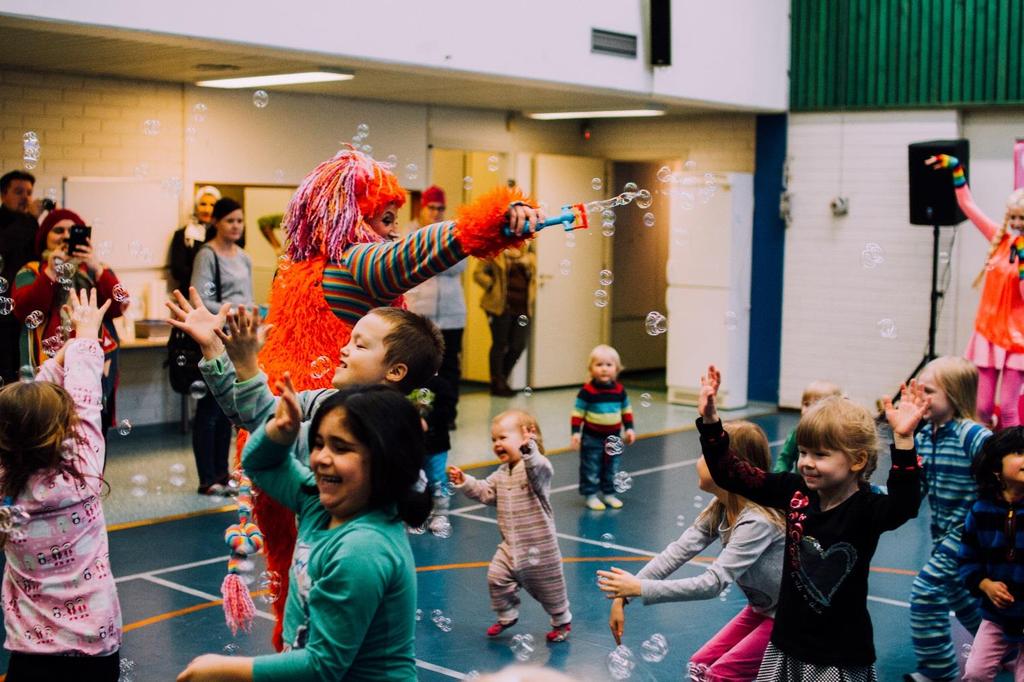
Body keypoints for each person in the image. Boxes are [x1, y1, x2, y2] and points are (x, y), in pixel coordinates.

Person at [239, 145, 542, 650]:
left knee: (296, 589)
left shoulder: (295, 269)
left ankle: (297, 653)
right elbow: (407, 255)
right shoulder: (350, 265)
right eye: (383, 218)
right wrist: (489, 225)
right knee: (339, 606)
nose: (391, 230)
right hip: (334, 438)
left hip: (286, 432)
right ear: (348, 218)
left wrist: (222, 359)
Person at [165, 293, 443, 642]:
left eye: (359, 345)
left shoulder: (379, 427)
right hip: (313, 561)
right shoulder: (327, 399)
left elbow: (275, 431)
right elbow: (252, 418)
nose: (344, 348)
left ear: (396, 371)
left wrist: (248, 367)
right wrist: (215, 351)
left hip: (343, 561)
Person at [177, 383, 430, 682]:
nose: (321, 457)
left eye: (341, 447)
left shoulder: (363, 548)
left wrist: (223, 670)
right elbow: (260, 465)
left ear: (385, 459)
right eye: (319, 443)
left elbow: (322, 667)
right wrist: (278, 433)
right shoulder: (317, 503)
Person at [697, 364, 926, 681]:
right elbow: (732, 474)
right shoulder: (795, 492)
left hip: (838, 653)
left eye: (820, 454)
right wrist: (710, 421)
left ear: (857, 461)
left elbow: (906, 504)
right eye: (803, 452)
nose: (806, 462)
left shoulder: (867, 508)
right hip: (787, 643)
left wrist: (903, 440)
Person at [600, 419, 785, 681]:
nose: (697, 461)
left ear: (730, 466)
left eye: (704, 455)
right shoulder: (721, 507)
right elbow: (676, 552)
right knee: (698, 667)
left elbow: (712, 583)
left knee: (722, 674)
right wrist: (624, 596)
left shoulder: (757, 521)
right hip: (763, 609)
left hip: (791, 620)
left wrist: (640, 588)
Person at [0, 289, 122, 680]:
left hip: (29, 652)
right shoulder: (83, 470)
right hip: (94, 647)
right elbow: (85, 401)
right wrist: (83, 338)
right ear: (63, 429)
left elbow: (30, 415)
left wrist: (60, 356)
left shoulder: (6, 484)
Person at [448, 410, 573, 643]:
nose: (497, 444)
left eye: (503, 438)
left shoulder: (536, 469)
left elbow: (539, 468)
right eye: (493, 440)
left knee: (551, 591)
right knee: (496, 577)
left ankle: (562, 621)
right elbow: (486, 492)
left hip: (540, 548)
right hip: (510, 546)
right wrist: (466, 482)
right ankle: (507, 614)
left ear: (526, 438)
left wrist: (529, 449)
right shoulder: (501, 473)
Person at [908, 356, 991, 682]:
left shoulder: (973, 436)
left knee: (926, 592)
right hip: (943, 534)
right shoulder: (927, 436)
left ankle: (939, 672)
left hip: (969, 534)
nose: (920, 398)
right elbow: (917, 489)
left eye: (928, 390)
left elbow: (1001, 478)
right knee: (962, 597)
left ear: (954, 394)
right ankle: (1005, 650)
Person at [927, 154, 1024, 428]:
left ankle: (1011, 462)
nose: (1017, 223)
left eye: (1023, 218)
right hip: (989, 333)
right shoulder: (998, 238)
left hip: (1018, 340)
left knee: (1007, 410)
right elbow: (967, 206)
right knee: (981, 408)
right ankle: (983, 459)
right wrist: (956, 167)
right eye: (1013, 217)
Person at [12, 209, 125, 430]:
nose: (65, 236)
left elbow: (119, 305)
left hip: (96, 364)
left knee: (92, 428)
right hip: (49, 364)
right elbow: (25, 311)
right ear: (45, 237)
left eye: (72, 231)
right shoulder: (32, 271)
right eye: (58, 230)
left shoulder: (95, 269)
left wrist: (97, 268)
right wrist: (51, 273)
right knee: (48, 427)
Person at [190, 197, 252, 496]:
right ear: (216, 222)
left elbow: (248, 297)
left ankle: (224, 473)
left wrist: (253, 312)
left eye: (240, 220)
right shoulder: (207, 255)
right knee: (209, 408)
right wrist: (239, 308)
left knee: (229, 408)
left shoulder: (244, 257)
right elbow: (199, 300)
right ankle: (208, 477)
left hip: (236, 340)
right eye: (230, 220)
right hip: (213, 337)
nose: (236, 226)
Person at [958, 427, 1024, 681]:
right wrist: (985, 585)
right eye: (1018, 452)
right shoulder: (980, 511)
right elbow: (967, 559)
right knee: (976, 672)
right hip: (997, 616)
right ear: (997, 467)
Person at [404, 185, 467, 427]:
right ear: (423, 207)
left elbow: (459, 266)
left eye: (441, 208)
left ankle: (448, 415)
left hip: (453, 314)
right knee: (421, 365)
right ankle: (420, 413)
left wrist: (431, 259)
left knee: (450, 366)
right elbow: (413, 265)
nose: (436, 212)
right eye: (432, 207)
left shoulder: (454, 233)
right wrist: (439, 259)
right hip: (420, 313)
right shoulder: (409, 233)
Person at [570, 344, 636, 510]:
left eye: (609, 365)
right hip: (592, 438)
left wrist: (629, 428)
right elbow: (577, 413)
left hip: (613, 437)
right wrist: (576, 433)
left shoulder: (620, 391)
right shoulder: (587, 391)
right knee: (591, 467)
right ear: (591, 369)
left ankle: (609, 494)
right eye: (599, 365)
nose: (604, 369)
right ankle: (590, 495)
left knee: (611, 467)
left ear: (617, 369)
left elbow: (626, 411)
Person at [474, 244, 536, 396]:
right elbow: (478, 273)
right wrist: (492, 285)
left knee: (518, 345)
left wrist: (529, 263)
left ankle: (501, 379)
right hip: (499, 307)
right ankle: (498, 383)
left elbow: (533, 279)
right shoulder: (495, 250)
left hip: (522, 306)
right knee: (500, 344)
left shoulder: (529, 254)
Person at [0, 170, 43, 385]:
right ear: (3, 194)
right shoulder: (21, 223)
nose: (26, 197)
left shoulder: (30, 224)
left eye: (29, 192)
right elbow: (5, 244)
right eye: (18, 192)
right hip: (4, 318)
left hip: (27, 312)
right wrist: (31, 218)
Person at [772, 380, 842, 473]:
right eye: (806, 404)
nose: (808, 409)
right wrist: (780, 476)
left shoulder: (838, 434)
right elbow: (785, 458)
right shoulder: (797, 432)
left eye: (816, 405)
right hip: (801, 484)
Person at [169, 185, 220, 291]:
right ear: (196, 206)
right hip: (189, 294)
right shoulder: (182, 234)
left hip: (217, 298)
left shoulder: (222, 236)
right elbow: (177, 272)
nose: (207, 209)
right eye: (203, 204)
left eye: (212, 205)